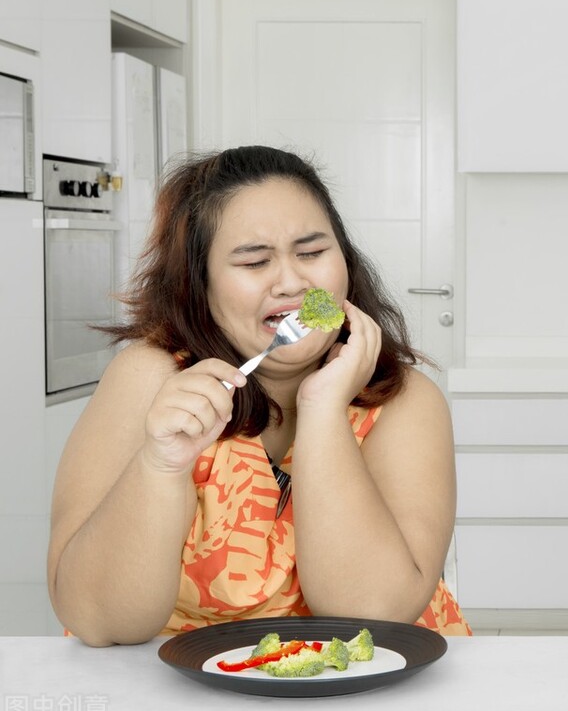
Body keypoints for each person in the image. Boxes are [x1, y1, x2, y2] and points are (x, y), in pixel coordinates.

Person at [48, 146, 469, 645]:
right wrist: (159, 465)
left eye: (313, 253)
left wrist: (323, 408)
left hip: (373, 689)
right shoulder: (149, 380)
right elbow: (98, 621)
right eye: (253, 261)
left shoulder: (407, 401)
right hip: (179, 694)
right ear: (198, 284)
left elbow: (369, 616)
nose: (292, 281)